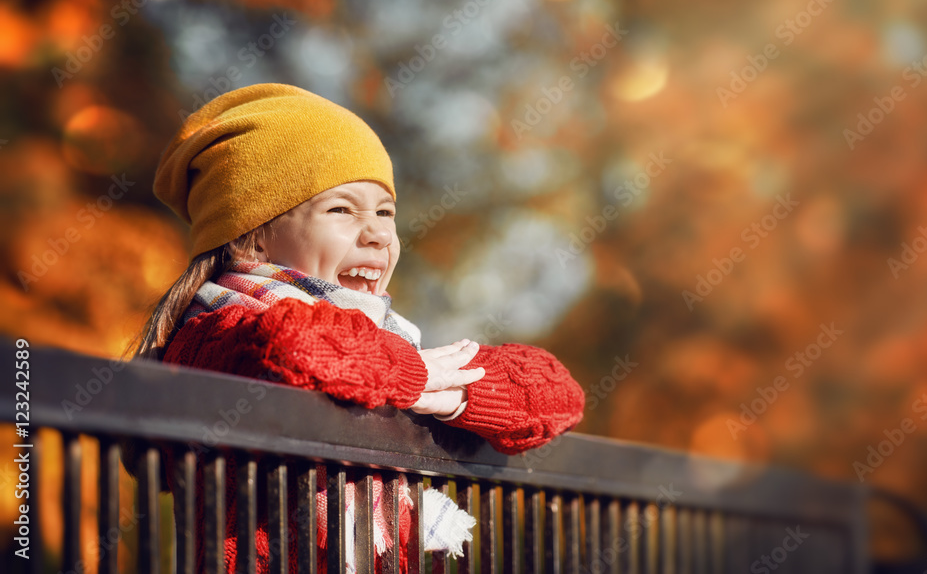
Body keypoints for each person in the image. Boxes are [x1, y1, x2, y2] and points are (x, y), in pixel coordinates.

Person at [122, 83, 585, 573]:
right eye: (342, 209)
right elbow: (293, 344)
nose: (380, 233)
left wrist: (450, 396)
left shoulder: (390, 349)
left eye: (386, 212)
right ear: (253, 239)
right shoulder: (216, 335)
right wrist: (414, 377)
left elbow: (557, 395)